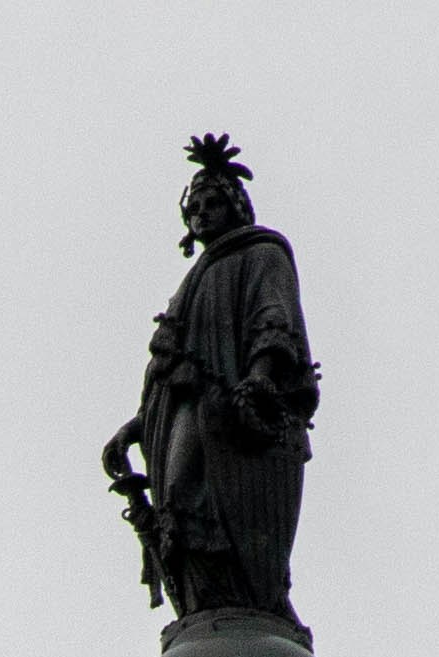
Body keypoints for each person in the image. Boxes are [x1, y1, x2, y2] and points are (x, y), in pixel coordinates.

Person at [105, 135, 319, 625]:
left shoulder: (262, 255)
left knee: (209, 505)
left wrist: (261, 379)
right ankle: (205, 605)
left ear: (237, 206)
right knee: (177, 503)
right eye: (193, 207)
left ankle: (245, 602)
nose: (201, 214)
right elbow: (168, 367)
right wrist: (135, 428)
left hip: (229, 412)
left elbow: (274, 319)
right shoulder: (194, 280)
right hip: (179, 413)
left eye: (213, 202)